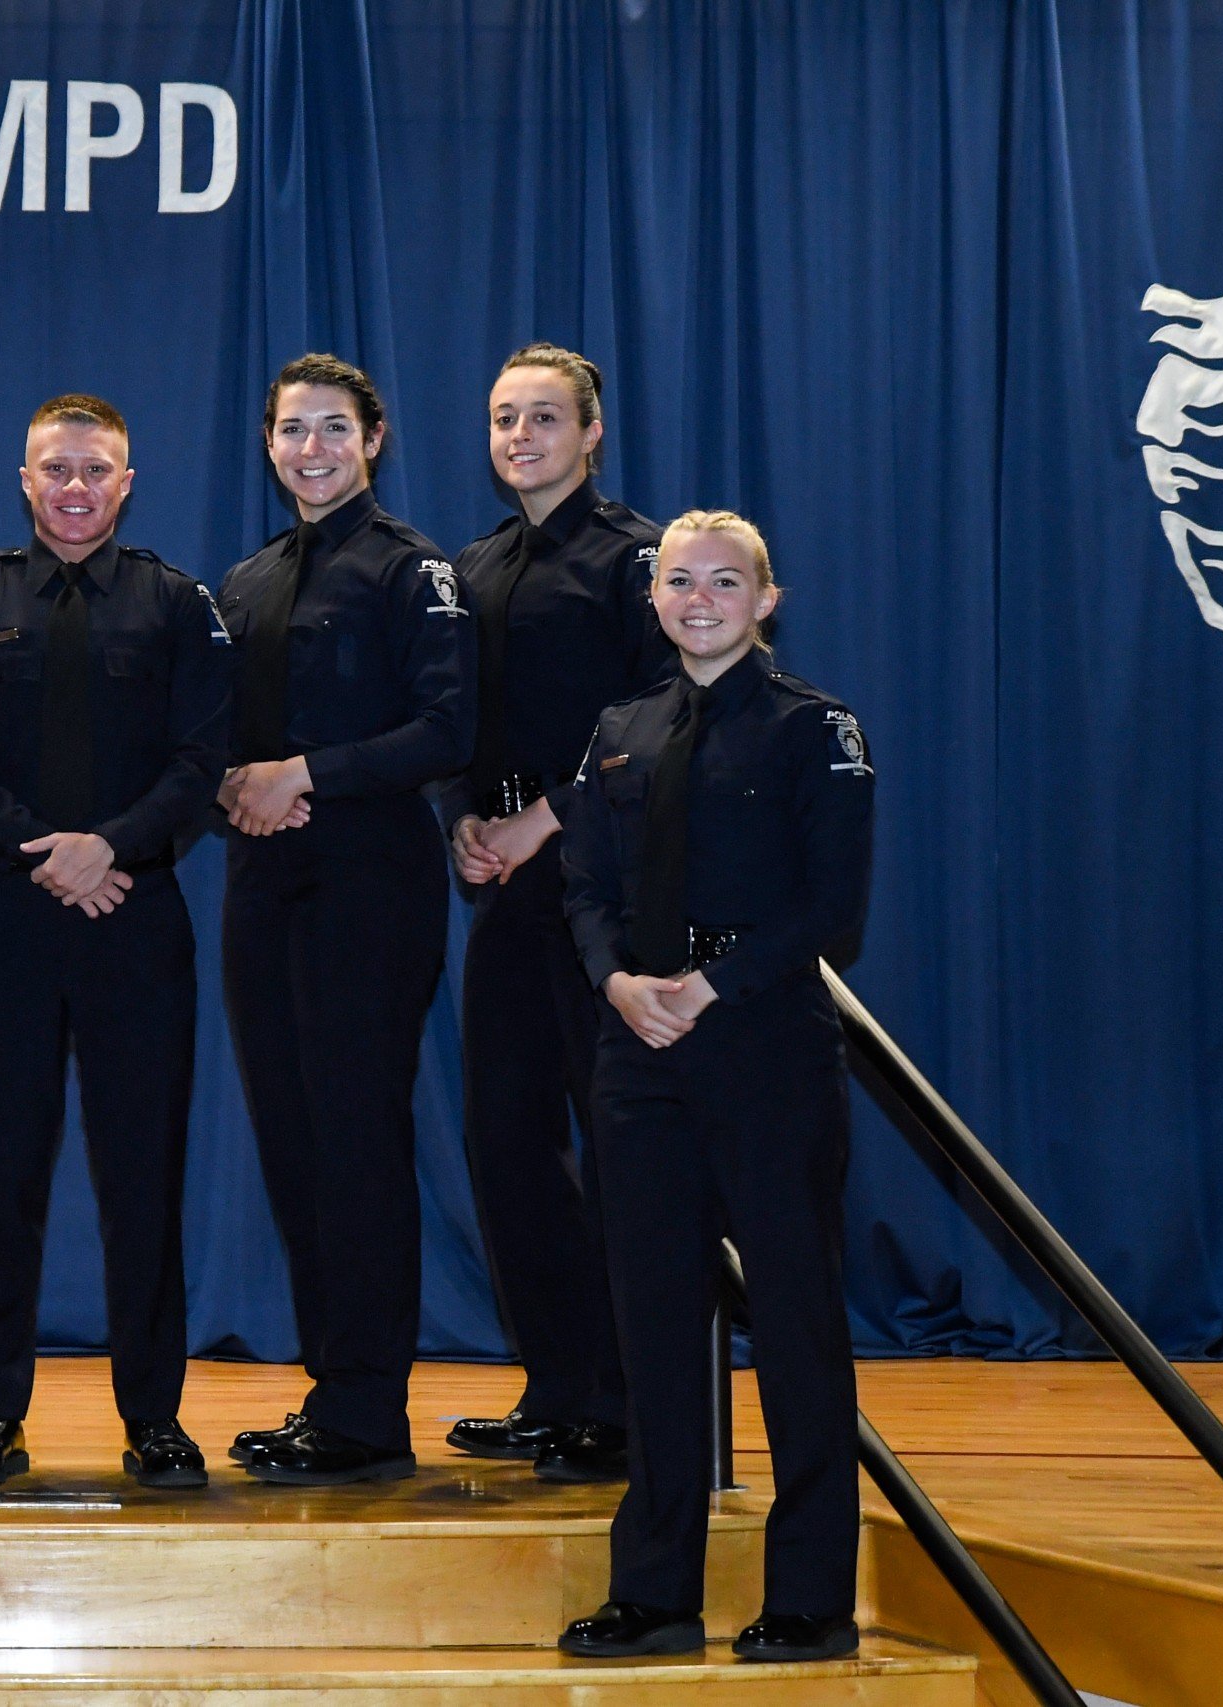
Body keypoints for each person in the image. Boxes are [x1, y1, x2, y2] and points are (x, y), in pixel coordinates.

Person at [555, 511, 874, 1663]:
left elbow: (833, 910)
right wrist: (615, 981)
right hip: (637, 1052)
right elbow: (582, 881)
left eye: (724, 581)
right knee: (650, 1327)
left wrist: (713, 984)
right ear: (653, 600)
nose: (699, 599)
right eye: (679, 581)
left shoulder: (813, 728)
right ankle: (655, 1593)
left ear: (766, 598)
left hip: (763, 1047)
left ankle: (808, 1600)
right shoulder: (620, 728)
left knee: (793, 1322)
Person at [0, 394, 232, 1490]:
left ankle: (154, 1417)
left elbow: (202, 760)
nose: (76, 486)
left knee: (142, 1178)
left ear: (127, 481)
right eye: (56, 467)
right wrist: (45, 852)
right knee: (0, 1178)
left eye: (96, 468)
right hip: (4, 917)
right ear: (25, 476)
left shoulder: (178, 604)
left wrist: (113, 850)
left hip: (137, 920)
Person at [217, 354, 474, 1485]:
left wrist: (305, 774)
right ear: (267, 444)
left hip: (370, 884)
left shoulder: (410, 570)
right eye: (289, 430)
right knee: (294, 1142)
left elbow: (448, 730)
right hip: (262, 888)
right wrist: (226, 778)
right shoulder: (248, 580)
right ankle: (335, 1391)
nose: (309, 449)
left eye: (331, 429)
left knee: (356, 1143)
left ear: (372, 439)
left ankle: (369, 1409)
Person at [440, 344, 673, 1484]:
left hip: (607, 901)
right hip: (504, 894)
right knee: (505, 1141)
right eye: (501, 418)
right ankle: (555, 1384)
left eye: (542, 417)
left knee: (618, 1145)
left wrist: (545, 821)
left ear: (590, 434)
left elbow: (660, 724)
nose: (519, 435)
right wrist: (465, 822)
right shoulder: (472, 565)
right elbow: (452, 723)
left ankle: (629, 1399)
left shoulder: (636, 562)